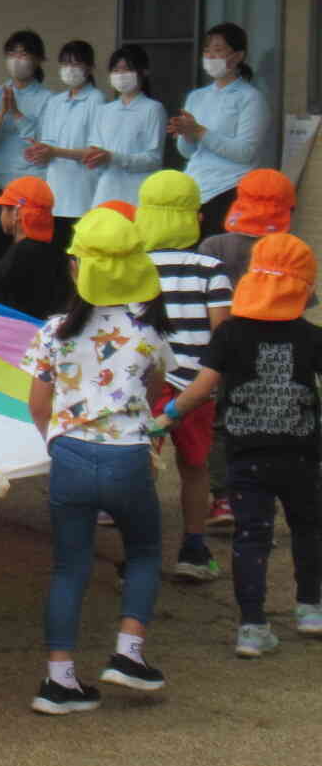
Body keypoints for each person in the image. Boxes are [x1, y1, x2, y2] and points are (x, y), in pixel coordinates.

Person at [20, 208, 172, 715]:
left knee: (69, 567)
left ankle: (59, 681)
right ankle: (128, 652)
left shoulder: (54, 331)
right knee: (144, 552)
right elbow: (155, 389)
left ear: (75, 267)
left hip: (71, 455)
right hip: (128, 457)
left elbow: (38, 404)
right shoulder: (149, 331)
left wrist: (57, 442)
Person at [152, 233, 322, 660]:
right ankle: (311, 609)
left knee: (251, 537)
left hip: (246, 457)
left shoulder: (230, 333)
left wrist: (167, 416)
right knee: (309, 529)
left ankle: (252, 627)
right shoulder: (311, 337)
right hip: (302, 455)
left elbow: (201, 388)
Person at [136, 171, 232, 583]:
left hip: (147, 384)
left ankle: (138, 554)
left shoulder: (135, 266)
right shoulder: (211, 269)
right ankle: (193, 550)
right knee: (194, 468)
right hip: (197, 388)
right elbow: (222, 335)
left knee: (143, 469)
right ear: (194, 216)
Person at [198, 169, 304, 531]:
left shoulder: (213, 246)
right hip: (273, 352)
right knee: (262, 422)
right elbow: (299, 304)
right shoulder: (289, 247)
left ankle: (222, 499)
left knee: (218, 422)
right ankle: (261, 499)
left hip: (220, 347)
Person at [169, 23, 269, 236]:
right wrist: (187, 135)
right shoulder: (196, 97)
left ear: (238, 56)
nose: (210, 56)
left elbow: (246, 152)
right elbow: (187, 152)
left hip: (230, 188)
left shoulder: (250, 98)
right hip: (195, 188)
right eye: (207, 50)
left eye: (218, 49)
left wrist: (199, 131)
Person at [0, 31, 51, 262]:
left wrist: (17, 114)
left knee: (28, 256)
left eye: (24, 54)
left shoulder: (49, 99)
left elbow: (42, 142)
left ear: (38, 59)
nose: (17, 60)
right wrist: (1, 113)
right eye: (12, 53)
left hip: (31, 185)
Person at [0, 177, 72, 319]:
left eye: (2, 209)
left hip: (25, 326)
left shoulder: (26, 251)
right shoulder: (45, 247)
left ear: (17, 213)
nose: (0, 215)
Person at [25, 39, 102, 242]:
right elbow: (48, 142)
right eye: (66, 63)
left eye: (76, 64)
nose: (70, 69)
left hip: (83, 192)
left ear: (90, 67)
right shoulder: (55, 101)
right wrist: (39, 152)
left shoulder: (96, 99)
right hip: (55, 192)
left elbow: (95, 151)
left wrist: (55, 152)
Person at [87, 45, 166, 207]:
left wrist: (113, 157)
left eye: (127, 69)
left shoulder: (153, 109)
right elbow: (94, 151)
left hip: (138, 193)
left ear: (144, 72)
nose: (121, 75)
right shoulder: (103, 111)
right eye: (116, 70)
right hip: (106, 192)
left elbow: (153, 158)